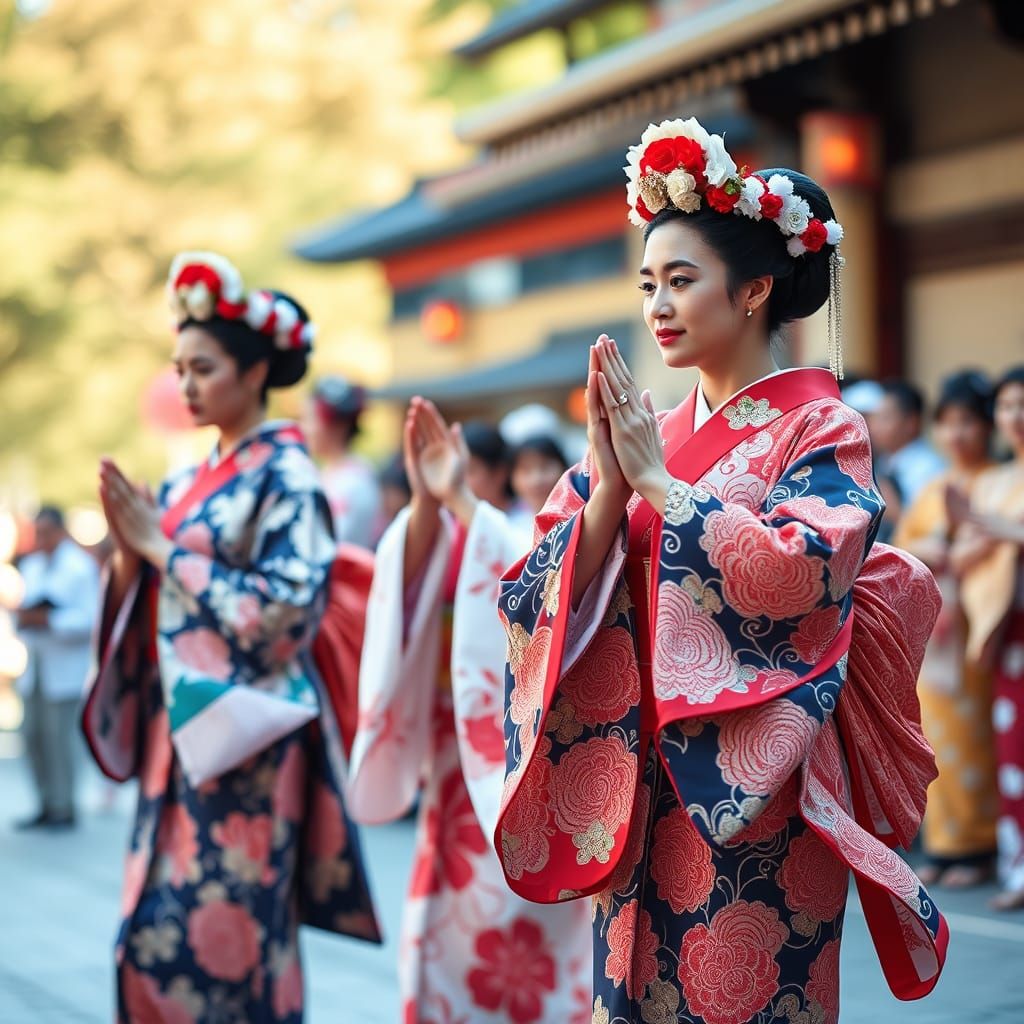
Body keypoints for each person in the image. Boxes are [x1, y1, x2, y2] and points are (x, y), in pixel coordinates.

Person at [494, 117, 948, 1023]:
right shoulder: (642, 434)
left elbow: (805, 571)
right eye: (648, 283)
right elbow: (528, 591)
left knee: (737, 996)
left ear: (752, 290)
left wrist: (659, 487)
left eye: (681, 280)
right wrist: (609, 495)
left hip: (755, 790)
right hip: (631, 779)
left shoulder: (821, 430)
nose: (657, 305)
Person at [82, 252, 380, 1022]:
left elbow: (287, 614)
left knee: (232, 931)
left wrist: (160, 551)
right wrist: (128, 558)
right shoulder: (184, 482)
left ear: (255, 373)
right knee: (153, 925)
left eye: (203, 367)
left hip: (250, 742)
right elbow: (152, 597)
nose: (185, 385)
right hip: (176, 733)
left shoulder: (288, 475)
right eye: (178, 368)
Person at [348, 403, 590, 1023]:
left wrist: (455, 499)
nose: (535, 479)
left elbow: (539, 580)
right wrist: (431, 505)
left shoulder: (511, 529)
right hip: (461, 750)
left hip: (526, 750)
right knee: (445, 921)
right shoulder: (474, 529)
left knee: (532, 910)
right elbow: (404, 589)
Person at [895, 371, 998, 887]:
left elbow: (997, 546)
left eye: (968, 423)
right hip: (937, 630)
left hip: (980, 627)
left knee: (976, 736)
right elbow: (905, 545)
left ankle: (978, 845)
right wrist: (929, 551)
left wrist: (956, 552)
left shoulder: (996, 482)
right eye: (948, 423)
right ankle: (942, 842)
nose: (957, 435)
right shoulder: (934, 488)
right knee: (932, 737)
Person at [948, 365, 1024, 910]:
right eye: (1006, 406)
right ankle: (1016, 866)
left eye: (1021, 405)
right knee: (1013, 752)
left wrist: (990, 526)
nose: (1013, 418)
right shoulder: (994, 482)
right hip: (1008, 632)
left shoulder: (989, 493)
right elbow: (957, 555)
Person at [14, 506, 99, 829]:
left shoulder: (79, 568)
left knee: (60, 740)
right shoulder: (32, 566)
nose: (41, 538)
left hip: (65, 667)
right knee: (33, 735)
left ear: (61, 531)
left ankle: (64, 804)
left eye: (46, 532)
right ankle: (45, 800)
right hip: (36, 662)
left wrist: (50, 620)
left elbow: (90, 619)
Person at [301, 375, 381, 549]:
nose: (304, 428)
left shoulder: (354, 482)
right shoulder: (330, 473)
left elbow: (326, 543)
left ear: (337, 426)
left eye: (309, 419)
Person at [869, 378, 946, 507]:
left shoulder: (930, 469)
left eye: (885, 418)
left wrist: (893, 509)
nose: (874, 427)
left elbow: (928, 525)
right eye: (874, 418)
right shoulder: (883, 462)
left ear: (911, 422)